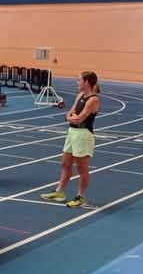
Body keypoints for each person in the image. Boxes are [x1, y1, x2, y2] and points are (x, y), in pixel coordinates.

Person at [41, 71, 101, 208]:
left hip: (83, 134)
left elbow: (80, 118)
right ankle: (59, 192)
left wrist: (71, 118)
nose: (77, 82)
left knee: (81, 167)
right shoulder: (80, 95)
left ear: (87, 82)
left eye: (79, 80)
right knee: (65, 163)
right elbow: (70, 113)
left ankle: (81, 196)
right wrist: (71, 117)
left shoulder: (93, 100)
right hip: (72, 132)